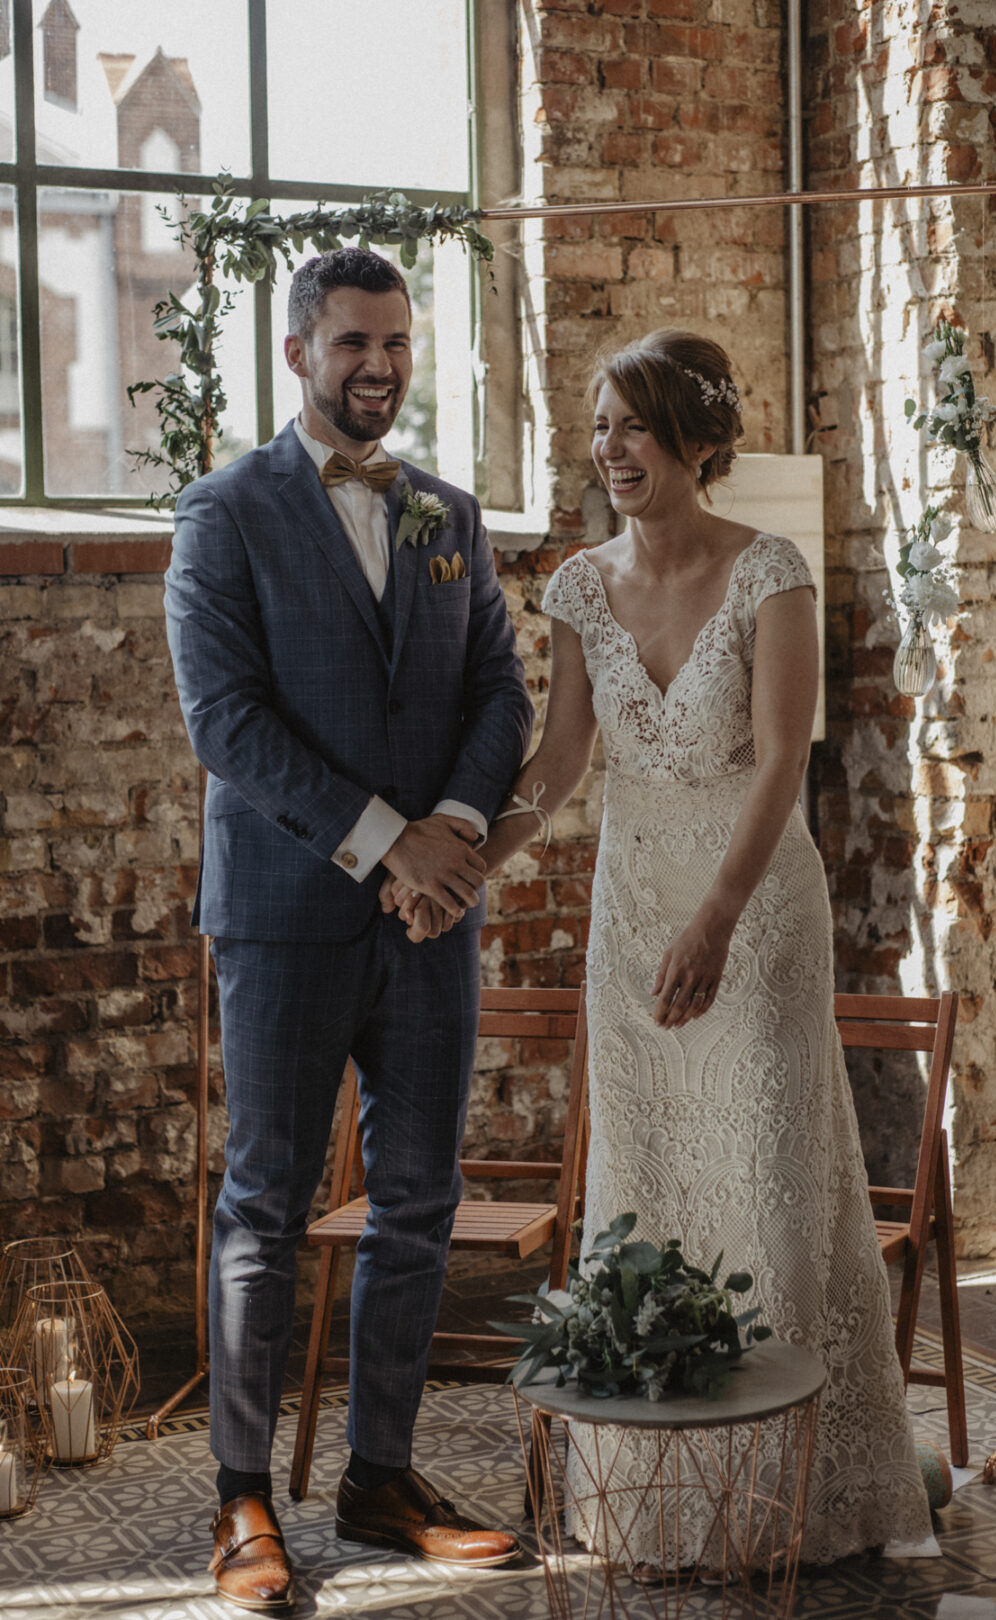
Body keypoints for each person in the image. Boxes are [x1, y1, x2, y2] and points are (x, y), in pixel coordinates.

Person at [391, 327, 933, 1569]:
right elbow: (561, 761)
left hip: (754, 909)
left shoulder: (771, 571)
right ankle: (661, 1496)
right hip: (634, 913)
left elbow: (782, 762)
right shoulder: (582, 587)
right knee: (653, 1191)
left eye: (633, 425)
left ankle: (798, 1500)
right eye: (599, 427)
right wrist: (467, 866)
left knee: (766, 1183)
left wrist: (718, 920)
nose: (610, 448)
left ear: (695, 439)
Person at [164, 246, 533, 1611]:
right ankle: (242, 1500)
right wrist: (390, 842)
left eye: (396, 344)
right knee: (265, 1201)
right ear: (298, 353)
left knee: (418, 1198)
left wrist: (452, 832)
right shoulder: (223, 513)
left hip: (433, 922)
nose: (379, 367)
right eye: (353, 344)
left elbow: (500, 689)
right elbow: (226, 721)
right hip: (284, 917)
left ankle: (383, 1480)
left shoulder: (449, 514)